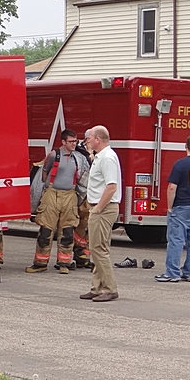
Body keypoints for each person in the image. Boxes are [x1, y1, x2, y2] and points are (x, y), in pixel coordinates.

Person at [26, 129, 89, 274]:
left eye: (76, 141)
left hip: (70, 195)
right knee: (46, 230)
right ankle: (40, 262)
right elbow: (44, 174)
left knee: (67, 231)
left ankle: (64, 263)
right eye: (71, 141)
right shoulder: (54, 155)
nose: (74, 144)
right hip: (52, 194)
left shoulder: (78, 158)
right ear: (63, 142)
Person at [155, 134, 190, 284]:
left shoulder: (180, 165)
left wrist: (169, 207)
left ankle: (172, 273)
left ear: (185, 146)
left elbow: (172, 187)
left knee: (176, 240)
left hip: (182, 206)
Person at [80, 125, 122, 302]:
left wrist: (98, 208)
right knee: (96, 248)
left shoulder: (107, 158)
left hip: (103, 207)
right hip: (99, 206)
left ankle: (110, 288)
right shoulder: (100, 156)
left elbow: (111, 187)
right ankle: (97, 287)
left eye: (89, 138)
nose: (86, 141)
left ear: (98, 139)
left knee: (99, 248)